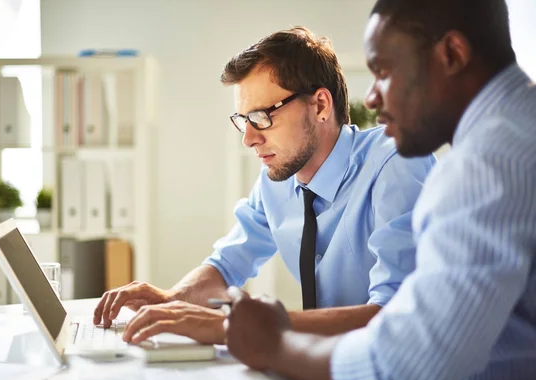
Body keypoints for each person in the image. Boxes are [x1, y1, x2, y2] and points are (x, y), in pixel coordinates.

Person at [224, 0, 536, 380]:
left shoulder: (486, 165)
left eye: (384, 73)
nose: (370, 99)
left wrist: (273, 342)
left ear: (452, 55)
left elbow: (401, 374)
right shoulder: (518, 131)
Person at [93, 27, 436, 345]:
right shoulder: (278, 182)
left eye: (262, 118)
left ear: (320, 105)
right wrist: (173, 298)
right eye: (243, 121)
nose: (249, 139)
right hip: (326, 369)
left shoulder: (397, 163)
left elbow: (394, 315)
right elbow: (226, 265)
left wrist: (225, 327)